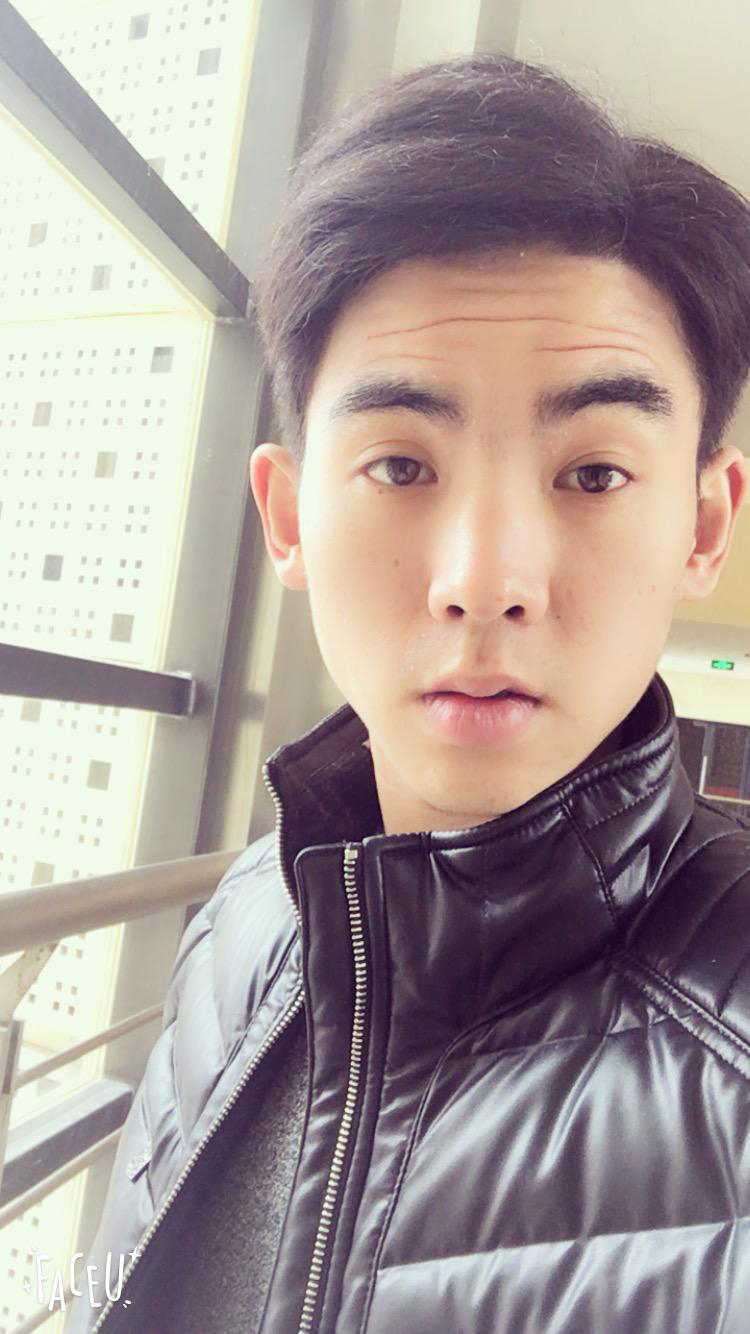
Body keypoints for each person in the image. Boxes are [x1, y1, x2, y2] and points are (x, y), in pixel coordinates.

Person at [68, 53, 750, 1334]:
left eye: (594, 473)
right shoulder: (246, 915)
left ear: (704, 525)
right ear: (287, 516)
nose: (483, 580)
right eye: (399, 464)